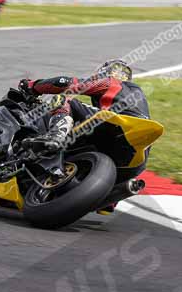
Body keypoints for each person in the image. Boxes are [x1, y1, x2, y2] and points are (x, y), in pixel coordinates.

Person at [17, 59, 150, 213]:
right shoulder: (140, 100)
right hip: (136, 160)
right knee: (107, 204)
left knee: (63, 99)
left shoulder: (111, 82)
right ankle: (109, 197)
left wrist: (33, 86)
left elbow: (67, 83)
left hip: (116, 124)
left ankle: (55, 136)